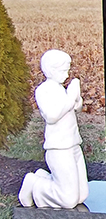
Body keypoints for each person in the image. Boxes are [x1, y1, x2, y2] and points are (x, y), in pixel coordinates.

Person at [18, 50, 89, 209]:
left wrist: (77, 97)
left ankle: (44, 177)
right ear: (50, 70)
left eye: (67, 70)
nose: (66, 74)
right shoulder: (44, 90)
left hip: (73, 144)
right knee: (68, 201)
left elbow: (75, 108)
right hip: (58, 148)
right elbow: (51, 116)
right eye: (63, 70)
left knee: (81, 195)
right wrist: (70, 97)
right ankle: (34, 183)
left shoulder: (60, 88)